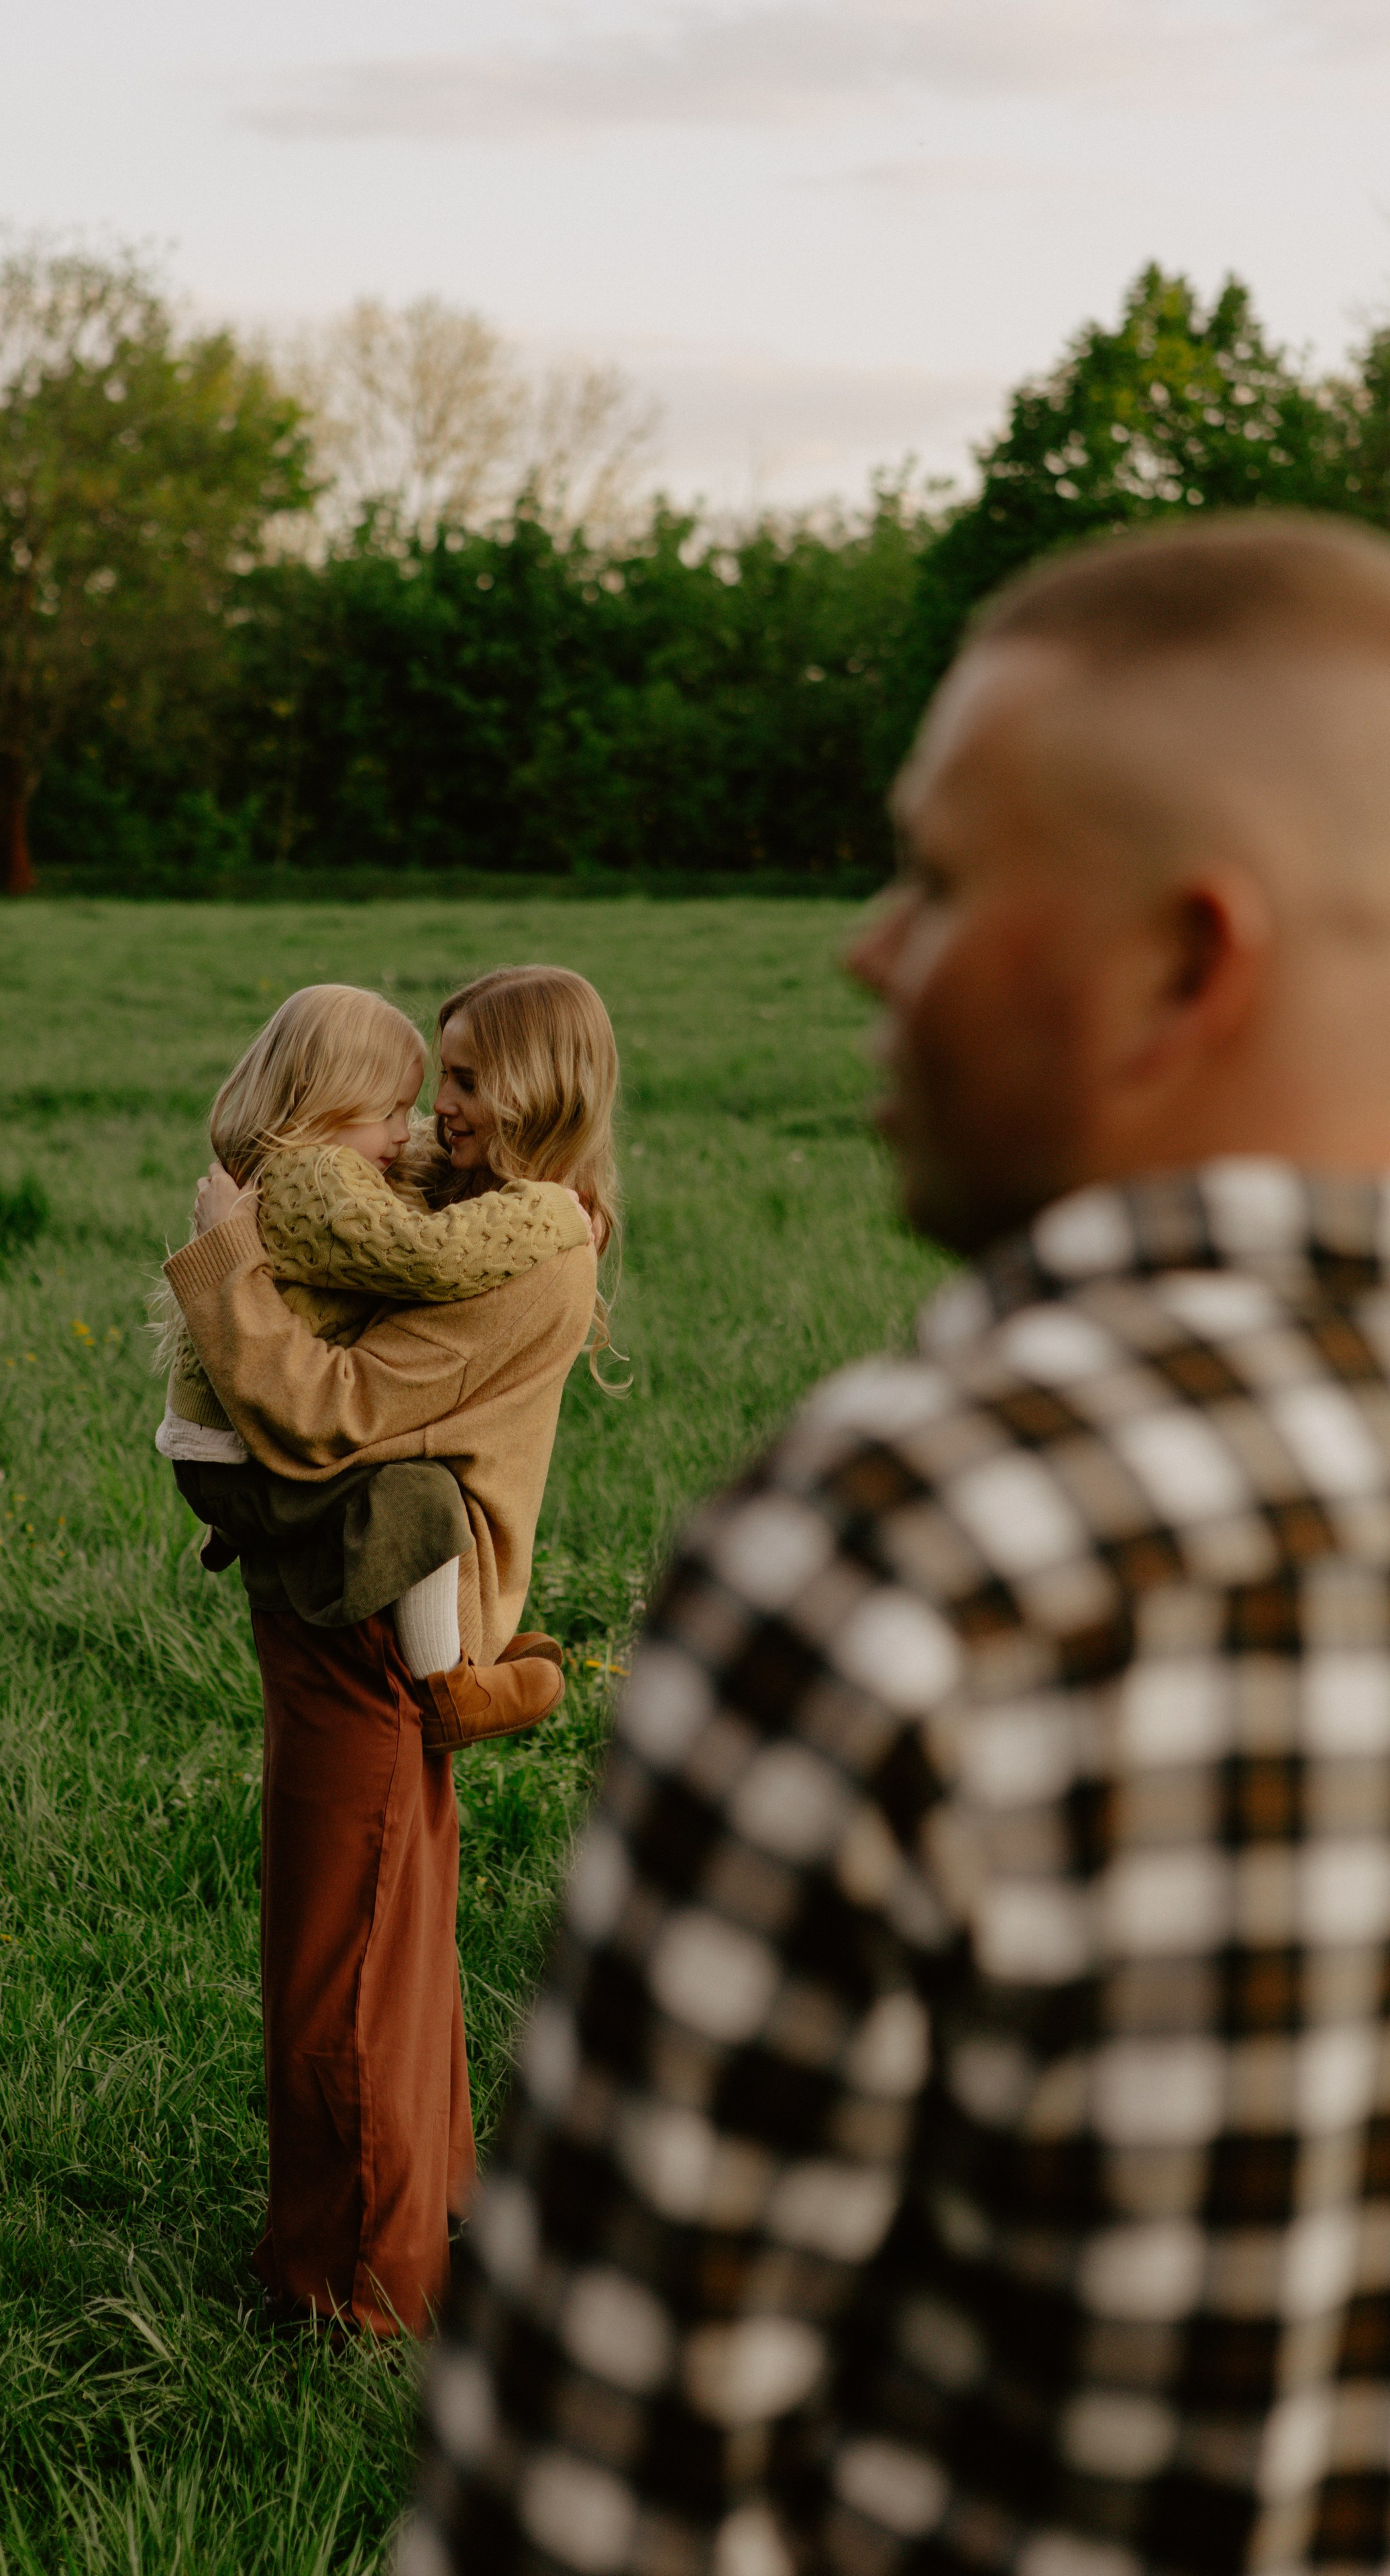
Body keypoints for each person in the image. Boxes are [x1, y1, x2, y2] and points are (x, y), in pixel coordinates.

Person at [405, 514, 1390, 2576]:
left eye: (937, 879)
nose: (867, 945)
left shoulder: (925, 1547)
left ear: (1184, 962)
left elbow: (589, 2502)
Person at [162, 965, 620, 2341]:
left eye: (470, 1081)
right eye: (439, 1080)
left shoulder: (532, 1253)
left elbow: (328, 1414)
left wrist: (227, 1250)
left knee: (341, 1950)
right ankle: (423, 2216)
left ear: (541, 1088)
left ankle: (350, 2289)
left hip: (363, 1600)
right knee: (393, 1927)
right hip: (362, 1591)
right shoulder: (478, 1219)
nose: (443, 1112)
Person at [155, 981, 594, 1746]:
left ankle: (458, 1661)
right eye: (398, 1107)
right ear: (327, 1101)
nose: (422, 1121)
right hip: (244, 1453)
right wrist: (547, 1209)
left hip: (234, 1450)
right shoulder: (319, 1177)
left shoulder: (329, 1162)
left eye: (459, 1084)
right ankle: (448, 1687)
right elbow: (420, 1259)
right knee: (418, 1503)